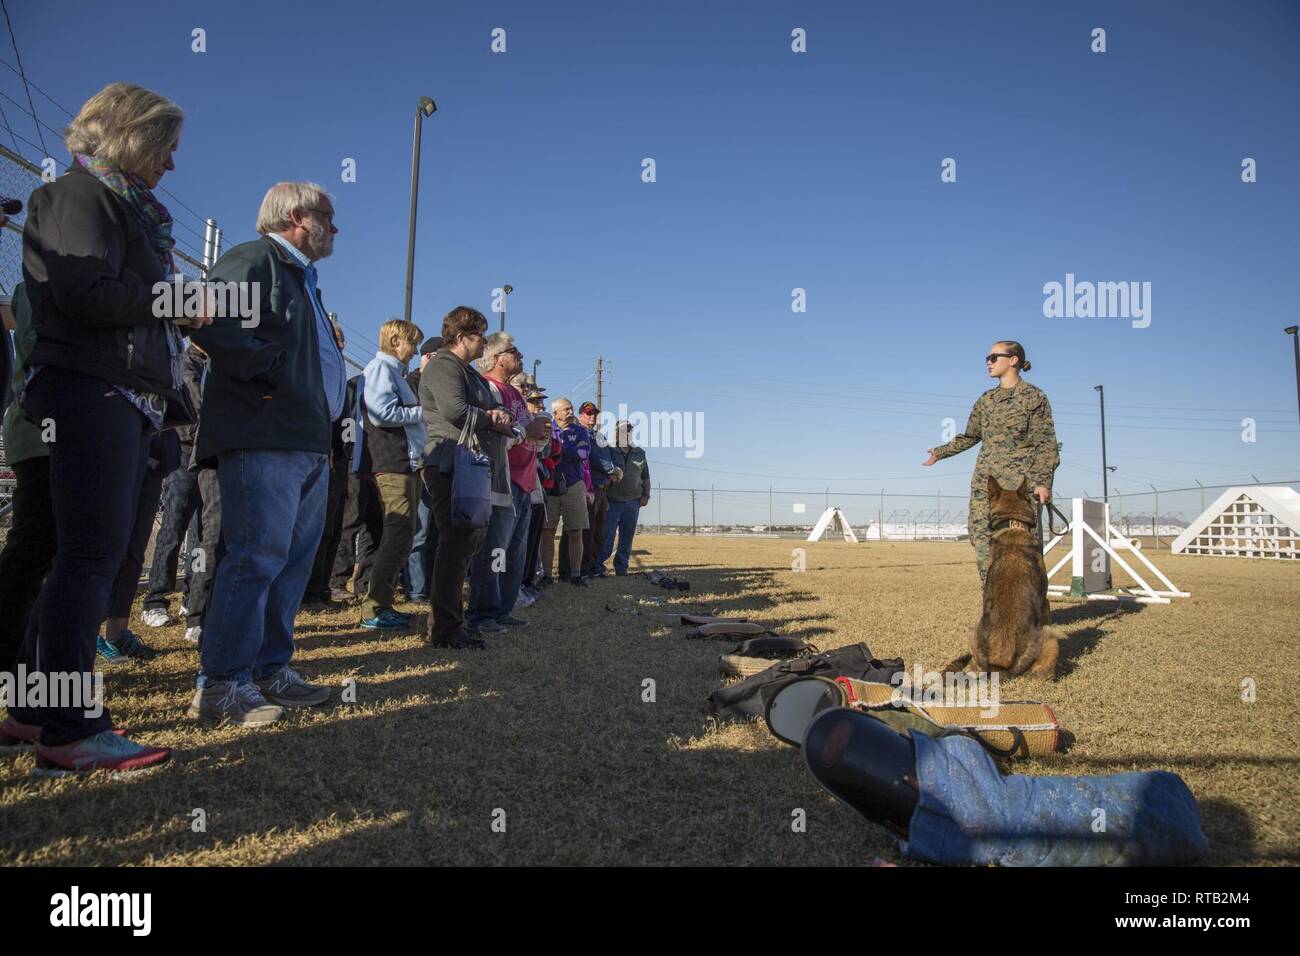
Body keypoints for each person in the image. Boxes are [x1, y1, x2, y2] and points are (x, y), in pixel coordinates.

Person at [6, 83, 199, 773]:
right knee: (87, 559)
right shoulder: (79, 197)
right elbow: (87, 295)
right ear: (127, 133)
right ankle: (70, 727)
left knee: (74, 556)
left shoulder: (125, 209)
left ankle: (33, 710)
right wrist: (177, 299)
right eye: (165, 148)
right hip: (91, 391)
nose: (171, 165)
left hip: (117, 395)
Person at [187, 181, 345, 725]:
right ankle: (222, 684)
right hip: (263, 435)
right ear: (297, 215)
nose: (336, 227)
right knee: (255, 558)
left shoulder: (303, 278)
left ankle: (270, 669)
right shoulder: (254, 258)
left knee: (291, 564)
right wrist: (272, 370)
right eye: (328, 215)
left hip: (304, 441)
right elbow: (204, 318)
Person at [418, 306, 514, 649]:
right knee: (455, 544)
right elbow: (454, 411)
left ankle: (450, 621)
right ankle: (445, 628)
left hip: (467, 465)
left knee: (465, 543)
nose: (483, 345)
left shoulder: (466, 371)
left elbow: (484, 408)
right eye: (480, 337)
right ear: (462, 338)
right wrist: (492, 418)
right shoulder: (445, 366)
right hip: (448, 464)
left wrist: (498, 414)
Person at [923, 340, 1059, 582]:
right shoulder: (986, 400)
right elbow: (971, 435)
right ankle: (994, 607)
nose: (988, 362)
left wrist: (1043, 483)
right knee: (981, 540)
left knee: (1027, 551)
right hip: (986, 488)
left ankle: (1030, 610)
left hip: (1020, 491)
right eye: (987, 358)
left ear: (1013, 360)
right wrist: (940, 452)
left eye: (994, 357)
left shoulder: (1034, 398)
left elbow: (1046, 443)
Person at [465, 333, 548, 632]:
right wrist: (529, 432)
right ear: (498, 357)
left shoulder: (515, 394)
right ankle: (482, 613)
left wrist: (537, 436)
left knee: (515, 552)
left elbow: (526, 432)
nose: (521, 355)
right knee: (494, 550)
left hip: (525, 482)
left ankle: (504, 608)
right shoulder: (489, 388)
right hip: (503, 480)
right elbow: (494, 435)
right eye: (514, 351)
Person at [353, 318, 426, 630]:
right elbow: (382, 412)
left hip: (404, 462)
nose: (415, 351)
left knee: (404, 532)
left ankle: (382, 602)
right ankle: (374, 607)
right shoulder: (381, 369)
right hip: (391, 462)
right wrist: (422, 413)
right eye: (412, 343)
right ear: (396, 341)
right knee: (398, 530)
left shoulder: (395, 372)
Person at [0, 283, 54, 684]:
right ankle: (10, 666)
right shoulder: (42, 284)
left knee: (44, 551)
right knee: (32, 548)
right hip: (41, 436)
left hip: (52, 435)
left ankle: (28, 664)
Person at [140, 341, 209, 627]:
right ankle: (155, 599)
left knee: (200, 535)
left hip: (205, 456)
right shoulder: (185, 362)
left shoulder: (210, 365)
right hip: (184, 454)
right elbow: (195, 407)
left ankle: (192, 595)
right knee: (173, 526)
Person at [329, 373, 383, 602]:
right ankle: (337, 581)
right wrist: (346, 454)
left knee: (375, 523)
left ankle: (366, 582)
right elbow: (345, 423)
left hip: (376, 463)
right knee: (350, 521)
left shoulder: (383, 388)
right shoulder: (353, 386)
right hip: (354, 461)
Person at [539, 397, 592, 587]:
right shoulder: (545, 427)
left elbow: (584, 454)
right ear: (555, 413)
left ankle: (576, 575)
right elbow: (542, 452)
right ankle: (546, 575)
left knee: (575, 531)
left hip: (574, 484)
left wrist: (559, 448)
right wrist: (569, 450)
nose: (570, 412)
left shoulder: (580, 431)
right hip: (550, 485)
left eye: (571, 409)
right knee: (547, 531)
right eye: (566, 409)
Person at [403, 336, 441, 600]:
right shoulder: (410, 384)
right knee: (419, 531)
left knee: (435, 532)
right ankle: (415, 589)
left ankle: (429, 586)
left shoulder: (439, 387)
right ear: (427, 357)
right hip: (417, 463)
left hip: (438, 463)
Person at [600, 420, 651, 576]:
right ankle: (599, 566)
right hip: (612, 501)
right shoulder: (609, 450)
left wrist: (646, 495)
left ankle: (621, 567)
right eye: (622, 430)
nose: (626, 433)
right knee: (606, 535)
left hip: (633, 502)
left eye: (629, 430)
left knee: (627, 536)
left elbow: (646, 477)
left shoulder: (639, 453)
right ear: (616, 433)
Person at [578, 401, 619, 578]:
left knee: (598, 532)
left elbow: (608, 454)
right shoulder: (579, 433)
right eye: (588, 413)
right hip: (589, 487)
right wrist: (612, 470)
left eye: (594, 413)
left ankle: (595, 565)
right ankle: (583, 567)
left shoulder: (599, 436)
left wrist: (614, 470)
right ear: (581, 416)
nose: (592, 416)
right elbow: (593, 457)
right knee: (586, 531)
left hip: (602, 488)